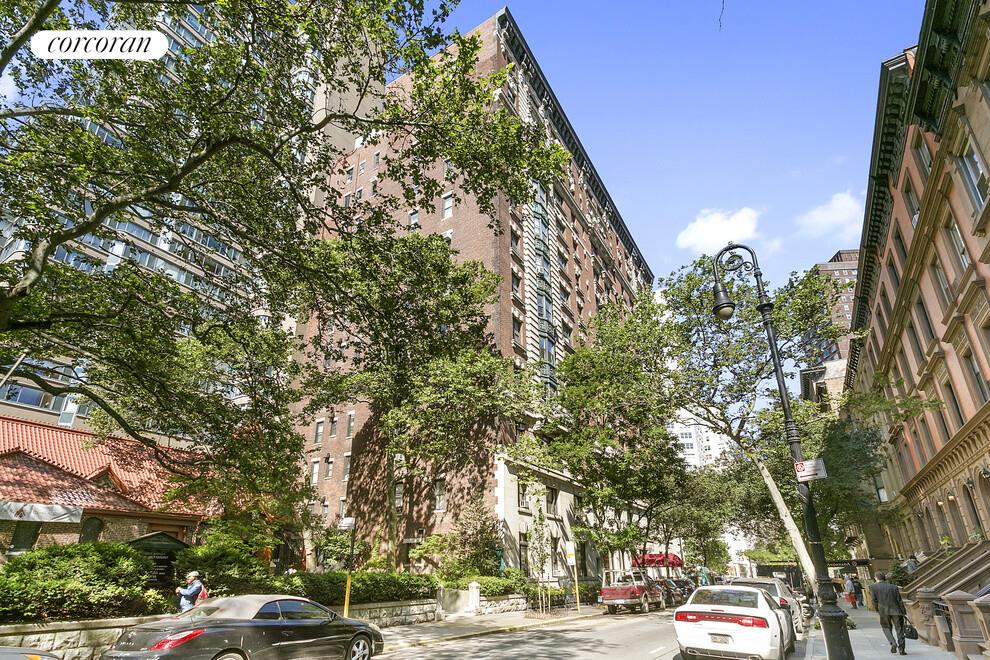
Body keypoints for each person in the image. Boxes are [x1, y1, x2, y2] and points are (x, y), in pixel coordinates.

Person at [869, 571, 908, 655]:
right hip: (896, 610)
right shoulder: (893, 587)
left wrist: (877, 609)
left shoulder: (873, 587)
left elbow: (874, 600)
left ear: (876, 578)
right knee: (899, 629)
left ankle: (892, 642)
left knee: (886, 627)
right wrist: (903, 611)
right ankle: (902, 649)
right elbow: (899, 600)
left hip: (883, 611)